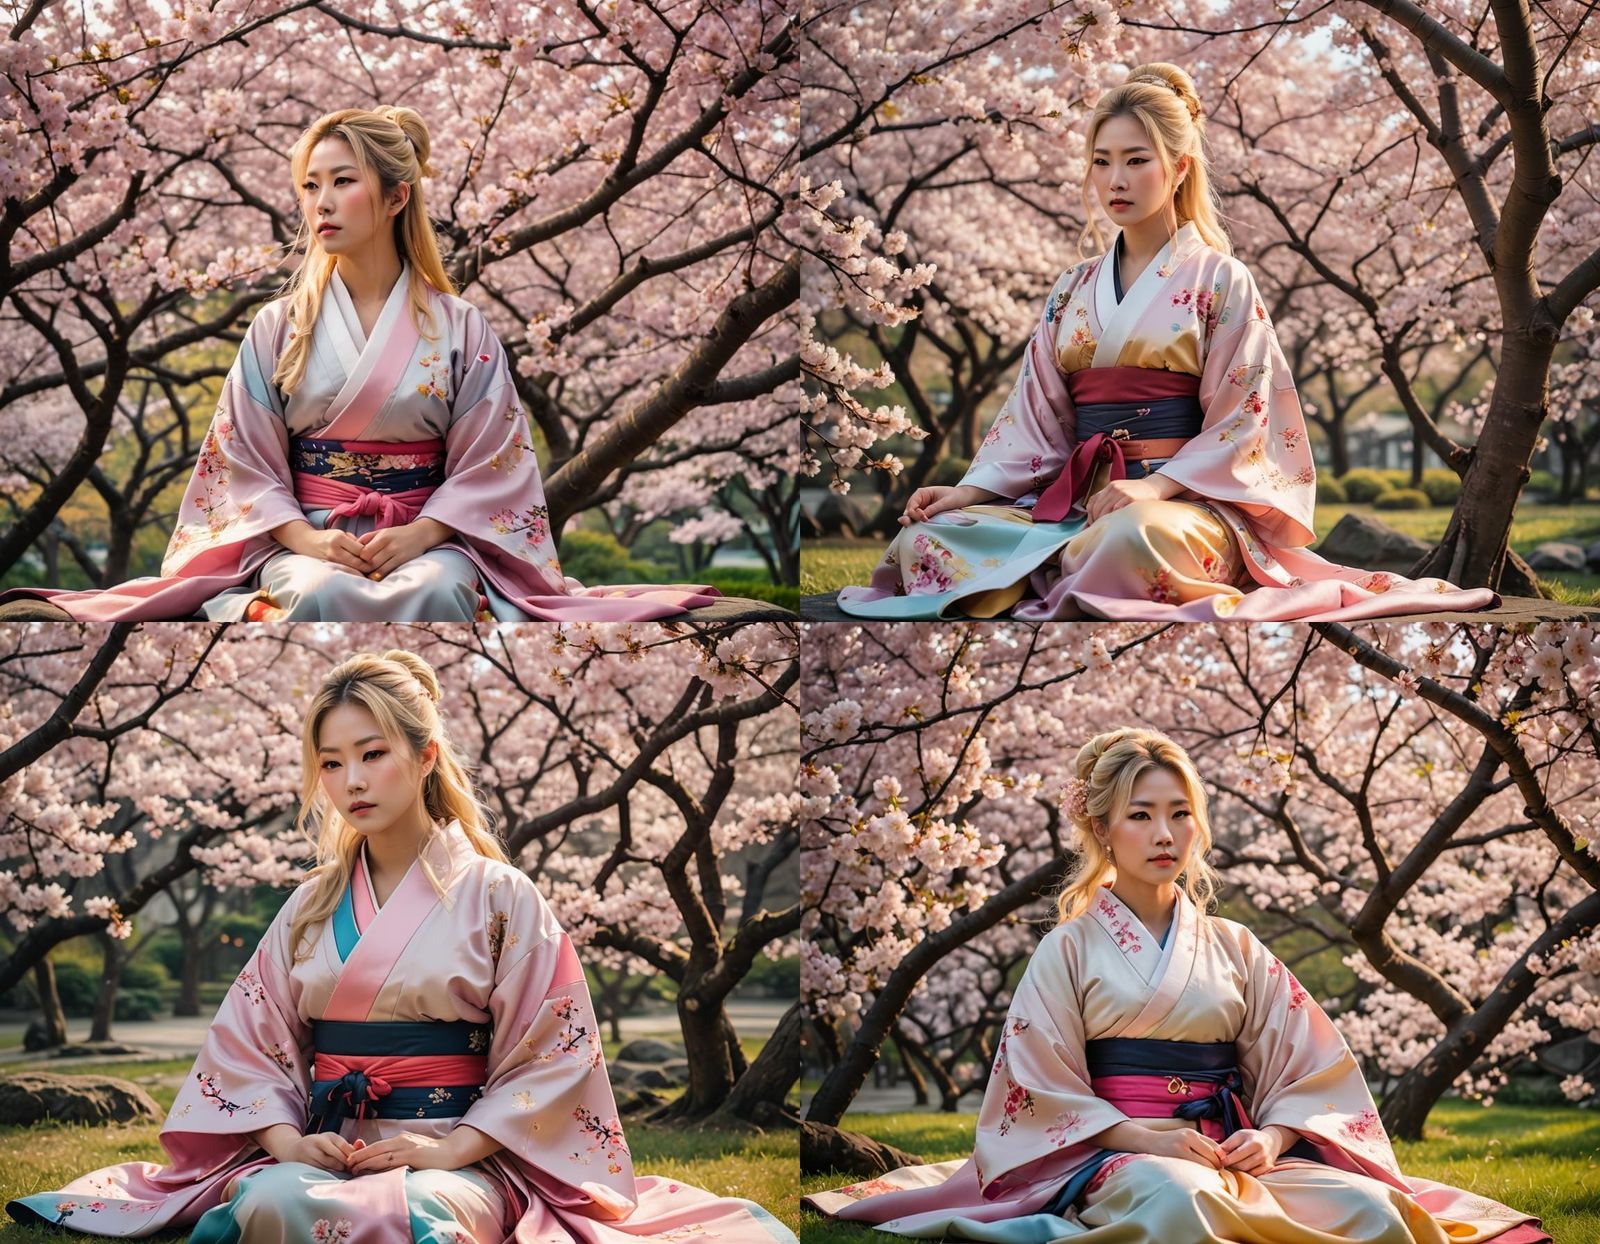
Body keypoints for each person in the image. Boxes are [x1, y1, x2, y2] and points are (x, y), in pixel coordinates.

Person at [8, 650, 791, 1244]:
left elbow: (556, 1055)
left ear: (424, 756)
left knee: (414, 1213)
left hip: (460, 1153)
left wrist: (448, 1149)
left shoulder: (499, 895)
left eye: (373, 753)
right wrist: (291, 1142)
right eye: (332, 762)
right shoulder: (309, 908)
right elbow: (248, 1049)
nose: (353, 780)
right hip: (319, 1147)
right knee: (277, 1198)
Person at [804, 728, 1549, 1243]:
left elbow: (1310, 1067)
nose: (1165, 834)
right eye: (1141, 815)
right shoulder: (1068, 949)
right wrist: (1140, 1135)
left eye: (1179, 814)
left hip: (1235, 1149)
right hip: (1113, 1152)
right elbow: (1037, 1089)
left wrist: (1274, 1135)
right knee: (1178, 1205)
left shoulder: (1236, 945)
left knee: (1377, 1212)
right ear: (1101, 829)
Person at [835, 64, 1498, 622]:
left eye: (1135, 161)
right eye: (1102, 163)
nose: (1115, 180)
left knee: (1130, 541)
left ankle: (1048, 572)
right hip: (1074, 506)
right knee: (931, 538)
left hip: (1181, 509)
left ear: (1178, 168)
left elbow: (1247, 424)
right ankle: (1050, 562)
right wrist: (972, 492)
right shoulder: (1072, 289)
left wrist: (1154, 491)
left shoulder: (1220, 278)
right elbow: (1036, 420)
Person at [0, 108, 716, 623]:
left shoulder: (462, 327)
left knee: (437, 591)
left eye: (342, 182)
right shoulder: (277, 326)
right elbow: (242, 463)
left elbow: (493, 464)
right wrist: (308, 537)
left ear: (396, 195)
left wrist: (423, 531)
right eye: (310, 187)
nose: (321, 203)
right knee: (318, 594)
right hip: (309, 533)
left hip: (430, 533)